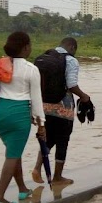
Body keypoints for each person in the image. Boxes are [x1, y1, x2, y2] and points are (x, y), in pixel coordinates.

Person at [0, 32, 45, 203]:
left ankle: (22, 189)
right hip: (19, 114)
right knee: (12, 155)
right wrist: (41, 124)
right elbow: (37, 99)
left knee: (13, 151)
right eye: (30, 45)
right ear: (25, 47)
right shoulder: (31, 69)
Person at [31, 37, 90, 186]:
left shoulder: (46, 57)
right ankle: (57, 177)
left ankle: (37, 168)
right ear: (71, 46)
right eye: (74, 49)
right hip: (63, 108)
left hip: (44, 106)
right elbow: (71, 85)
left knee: (48, 138)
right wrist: (83, 96)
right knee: (63, 140)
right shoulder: (71, 60)